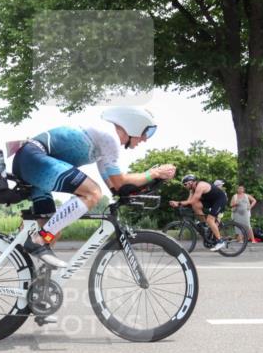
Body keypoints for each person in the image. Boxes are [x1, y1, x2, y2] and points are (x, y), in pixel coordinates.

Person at [10, 106, 176, 267]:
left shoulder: (103, 147)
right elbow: (119, 181)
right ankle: (38, 240)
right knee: (93, 193)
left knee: (54, 227)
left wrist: (145, 186)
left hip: (30, 161)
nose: (145, 138)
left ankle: (38, 284)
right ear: (134, 125)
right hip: (33, 159)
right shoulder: (109, 138)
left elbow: (116, 187)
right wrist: (153, 173)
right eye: (146, 132)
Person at [169, 175, 229, 251]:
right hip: (211, 201)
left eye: (185, 184)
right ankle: (204, 225)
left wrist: (178, 203)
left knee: (210, 220)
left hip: (219, 200)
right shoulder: (192, 190)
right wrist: (181, 205)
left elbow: (191, 201)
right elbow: (190, 202)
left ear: (190, 182)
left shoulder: (200, 186)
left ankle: (220, 241)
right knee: (195, 205)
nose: (184, 186)